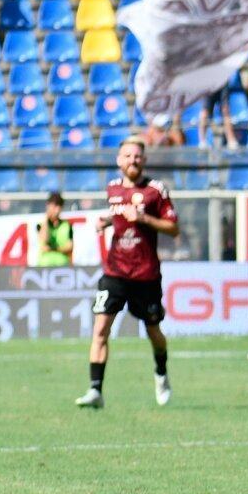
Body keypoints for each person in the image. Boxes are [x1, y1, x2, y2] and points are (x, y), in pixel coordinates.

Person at [75, 137, 180, 410]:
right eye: (127, 156)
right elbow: (120, 214)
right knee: (101, 328)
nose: (132, 160)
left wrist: (143, 218)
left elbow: (173, 228)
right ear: (119, 160)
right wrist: (108, 221)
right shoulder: (112, 189)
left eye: (137, 156)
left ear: (144, 160)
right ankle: (95, 390)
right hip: (115, 271)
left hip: (145, 275)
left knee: (153, 331)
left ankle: (161, 373)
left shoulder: (156, 190)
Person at [37, 192, 73, 267]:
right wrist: (46, 218)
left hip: (62, 265)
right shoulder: (41, 225)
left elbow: (69, 247)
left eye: (58, 206)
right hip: (45, 266)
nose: (56, 210)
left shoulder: (67, 225)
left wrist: (53, 249)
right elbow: (44, 240)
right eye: (53, 206)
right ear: (48, 206)